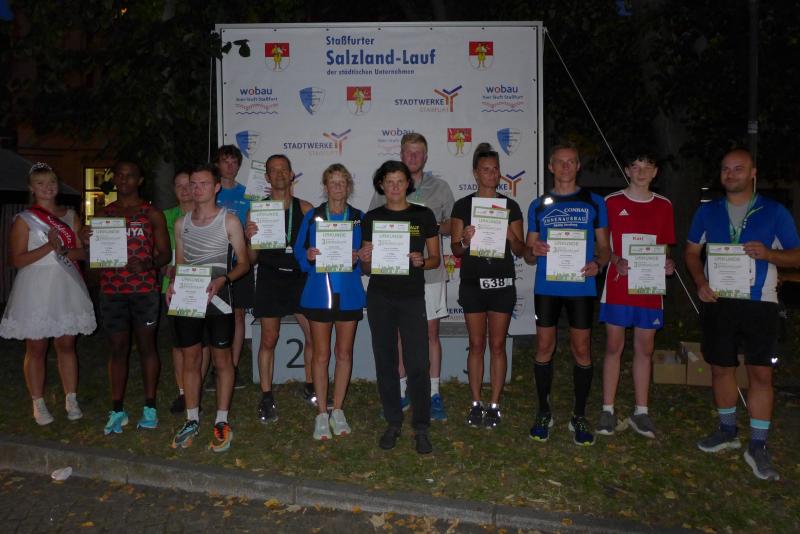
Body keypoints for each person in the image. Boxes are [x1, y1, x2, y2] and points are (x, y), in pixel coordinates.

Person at [685, 148, 800, 481]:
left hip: (760, 303)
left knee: (760, 373)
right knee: (721, 367)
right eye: (725, 169)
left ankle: (758, 444)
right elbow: (691, 252)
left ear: (752, 173)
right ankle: (727, 430)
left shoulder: (774, 211)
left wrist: (769, 254)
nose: (730, 174)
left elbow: (796, 256)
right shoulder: (708, 211)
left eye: (738, 168)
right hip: (718, 301)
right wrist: (700, 282)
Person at [524, 144, 610, 446]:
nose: (565, 167)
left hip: (580, 287)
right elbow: (528, 254)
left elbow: (605, 248)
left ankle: (579, 414)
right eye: (559, 162)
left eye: (571, 162)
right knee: (544, 347)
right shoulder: (538, 205)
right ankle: (543, 412)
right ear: (550, 167)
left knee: (582, 349)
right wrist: (533, 250)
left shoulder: (594, 202)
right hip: (547, 287)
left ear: (578, 166)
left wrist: (598, 264)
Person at [0, 163, 96, 425]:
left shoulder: (70, 215)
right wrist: (49, 247)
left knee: (66, 345)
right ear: (31, 188)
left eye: (51, 182)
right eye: (40, 183)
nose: (47, 187)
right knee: (36, 347)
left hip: (66, 284)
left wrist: (67, 248)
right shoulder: (24, 219)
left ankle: (71, 398)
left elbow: (82, 253)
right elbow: (16, 259)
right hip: (35, 286)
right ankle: (38, 402)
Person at [368, 132, 454, 421]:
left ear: (426, 157)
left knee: (430, 335)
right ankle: (403, 390)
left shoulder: (440, 188)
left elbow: (452, 226)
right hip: (393, 276)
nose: (413, 157)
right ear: (401, 155)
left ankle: (433, 393)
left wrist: (430, 225)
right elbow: (373, 227)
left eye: (418, 152)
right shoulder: (384, 190)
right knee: (398, 336)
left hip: (428, 274)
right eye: (408, 152)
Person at [83, 160, 170, 435]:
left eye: (130, 176)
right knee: (118, 349)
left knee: (147, 347)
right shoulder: (103, 214)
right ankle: (117, 409)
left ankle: (150, 407)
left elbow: (165, 254)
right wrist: (86, 241)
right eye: (119, 176)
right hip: (112, 291)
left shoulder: (151, 213)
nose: (124, 180)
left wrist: (147, 264)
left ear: (140, 180)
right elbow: (92, 261)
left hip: (144, 290)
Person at [361, 160, 440, 454]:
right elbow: (367, 268)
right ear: (381, 185)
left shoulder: (423, 215)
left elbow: (435, 259)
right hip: (380, 296)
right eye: (389, 181)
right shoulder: (372, 218)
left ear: (408, 183)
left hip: (411, 297)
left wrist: (422, 261)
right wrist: (365, 257)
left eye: (400, 181)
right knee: (386, 361)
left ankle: (421, 426)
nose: (395, 187)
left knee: (418, 362)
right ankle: (393, 421)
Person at [169, 164, 250, 452]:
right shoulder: (181, 224)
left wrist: (223, 279)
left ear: (216, 187)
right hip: (189, 299)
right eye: (193, 183)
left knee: (222, 360)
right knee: (190, 359)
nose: (196, 188)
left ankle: (222, 420)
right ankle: (192, 418)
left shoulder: (229, 220)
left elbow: (244, 264)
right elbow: (180, 264)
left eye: (203, 183)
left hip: (219, 300)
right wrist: (173, 284)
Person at [597, 151, 675, 439]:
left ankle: (641, 412)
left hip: (649, 289)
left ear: (655, 172)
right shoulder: (611, 202)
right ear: (627, 170)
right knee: (613, 347)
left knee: (645, 349)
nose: (641, 172)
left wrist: (667, 264)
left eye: (647, 167)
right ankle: (607, 409)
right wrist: (616, 260)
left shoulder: (664, 205)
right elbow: (602, 247)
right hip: (618, 286)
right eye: (636, 166)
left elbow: (664, 247)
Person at [450, 144, 525, 428]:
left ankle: (494, 404)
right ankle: (475, 402)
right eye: (486, 169)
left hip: (502, 283)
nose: (492, 174)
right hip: (472, 284)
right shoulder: (462, 205)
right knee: (476, 344)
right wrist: (465, 240)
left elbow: (520, 250)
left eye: (495, 169)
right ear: (475, 173)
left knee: (497, 345)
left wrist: (509, 235)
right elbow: (456, 250)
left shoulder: (510, 206)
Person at [294, 164, 366, 440]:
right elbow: (299, 252)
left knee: (344, 353)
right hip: (318, 293)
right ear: (325, 187)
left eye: (342, 182)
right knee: (321, 355)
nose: (337, 187)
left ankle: (338, 409)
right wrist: (308, 256)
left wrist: (361, 255)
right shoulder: (312, 216)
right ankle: (322, 413)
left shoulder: (358, 218)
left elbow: (366, 256)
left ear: (348, 187)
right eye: (332, 182)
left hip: (348, 292)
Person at [245, 154, 314, 423]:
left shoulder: (306, 209)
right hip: (270, 278)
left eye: (284, 169)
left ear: (292, 174)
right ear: (267, 177)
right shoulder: (257, 211)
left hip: (299, 278)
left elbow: (317, 247)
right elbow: (252, 260)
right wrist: (250, 240)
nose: (280, 174)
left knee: (313, 335)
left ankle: (311, 386)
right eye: (273, 170)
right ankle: (266, 396)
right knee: (268, 339)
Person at [162, 169, 211, 414]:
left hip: (204, 285)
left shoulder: (208, 215)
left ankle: (196, 389)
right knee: (180, 343)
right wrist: (164, 268)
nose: (184, 190)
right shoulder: (164, 217)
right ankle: (183, 392)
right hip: (173, 288)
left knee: (203, 343)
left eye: (188, 185)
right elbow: (157, 252)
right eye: (179, 185)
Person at [213, 145, 251, 390]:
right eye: (225, 161)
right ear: (217, 165)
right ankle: (217, 367)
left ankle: (233, 367)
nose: (230, 166)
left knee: (238, 314)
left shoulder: (248, 194)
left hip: (239, 261)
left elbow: (252, 228)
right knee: (215, 315)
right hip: (213, 261)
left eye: (234, 162)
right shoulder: (211, 191)